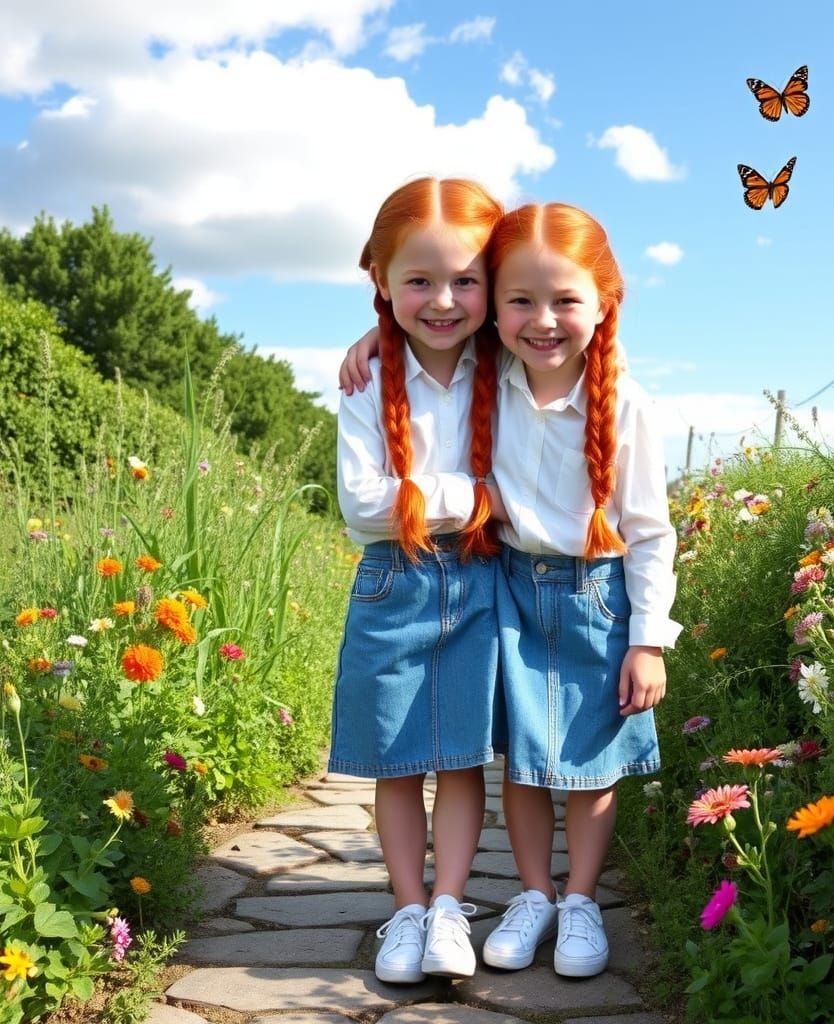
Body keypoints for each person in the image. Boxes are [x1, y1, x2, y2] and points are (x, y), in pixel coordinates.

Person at [338, 200, 680, 979]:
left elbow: (653, 531)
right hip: (512, 584)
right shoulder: (490, 366)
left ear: (604, 302)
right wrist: (377, 332)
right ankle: (531, 896)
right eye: (519, 300)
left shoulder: (624, 402)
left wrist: (649, 638)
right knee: (525, 757)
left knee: (587, 762)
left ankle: (581, 899)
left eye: (566, 301)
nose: (543, 320)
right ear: (497, 306)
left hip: (597, 594)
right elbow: (432, 331)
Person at [330, 177, 504, 985]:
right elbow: (365, 509)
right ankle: (406, 906)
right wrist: (478, 497)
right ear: (381, 282)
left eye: (466, 279)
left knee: (462, 756)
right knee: (397, 761)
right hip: (392, 583)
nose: (442, 300)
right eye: (419, 281)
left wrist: (427, 501)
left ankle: (449, 907)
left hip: (480, 581)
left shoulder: (508, 366)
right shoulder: (369, 380)